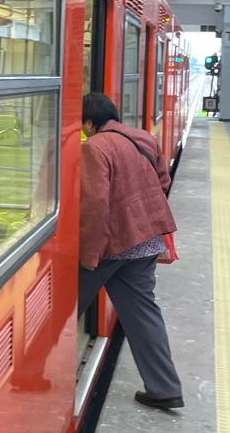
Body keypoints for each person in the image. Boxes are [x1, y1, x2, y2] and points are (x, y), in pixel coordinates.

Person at [78, 92, 183, 410]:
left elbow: (95, 205)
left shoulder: (94, 147)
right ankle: (165, 388)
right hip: (147, 240)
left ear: (88, 122)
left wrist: (89, 254)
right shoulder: (144, 138)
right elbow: (163, 181)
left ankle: (36, 380)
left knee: (60, 309)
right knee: (143, 314)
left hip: (112, 246)